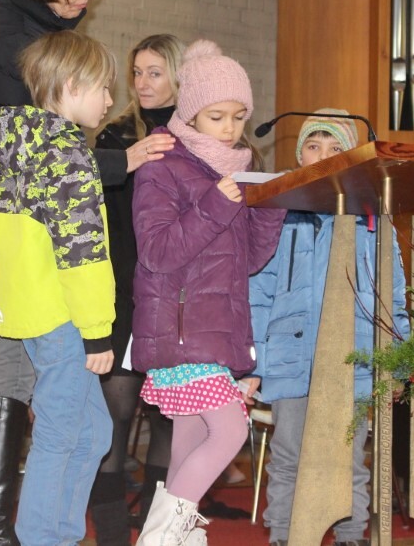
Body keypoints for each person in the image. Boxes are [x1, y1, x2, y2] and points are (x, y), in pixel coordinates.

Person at [0, 0, 174, 546]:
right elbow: (72, 229)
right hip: (49, 292)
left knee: (84, 428)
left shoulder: (29, 32)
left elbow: (36, 154)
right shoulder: (11, 41)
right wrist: (117, 162)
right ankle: (20, 530)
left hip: (30, 278)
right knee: (48, 411)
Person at [131, 39, 285, 545]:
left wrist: (270, 208)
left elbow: (248, 262)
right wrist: (217, 204)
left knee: (190, 438)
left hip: (218, 327)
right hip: (179, 328)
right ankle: (160, 537)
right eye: (217, 117)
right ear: (192, 112)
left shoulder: (234, 168)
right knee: (231, 429)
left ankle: (169, 539)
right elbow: (157, 251)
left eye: (239, 117)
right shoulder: (163, 162)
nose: (230, 129)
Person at [246, 111, 412, 546]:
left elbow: (393, 296)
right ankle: (284, 534)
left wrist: (398, 362)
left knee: (348, 457)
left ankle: (351, 535)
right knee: (289, 454)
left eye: (336, 148)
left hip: (352, 356)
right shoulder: (278, 213)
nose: (323, 156)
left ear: (354, 158)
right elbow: (258, 292)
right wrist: (254, 363)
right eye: (314, 147)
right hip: (290, 354)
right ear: (299, 156)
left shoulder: (373, 218)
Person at [0, 29, 117, 545]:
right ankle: (42, 537)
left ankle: (59, 534)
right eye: (103, 88)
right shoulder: (66, 154)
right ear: (71, 85)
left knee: (94, 433)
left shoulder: (23, 144)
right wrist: (97, 330)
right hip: (65, 315)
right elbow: (82, 252)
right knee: (61, 434)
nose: (110, 100)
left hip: (36, 309)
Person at [91, 34, 183, 544]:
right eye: (137, 72)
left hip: (176, 297)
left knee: (169, 418)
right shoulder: (116, 135)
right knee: (115, 415)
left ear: (178, 75)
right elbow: (102, 222)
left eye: (155, 72)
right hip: (122, 292)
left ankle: (154, 533)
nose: (143, 83)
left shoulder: (195, 136)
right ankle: (110, 537)